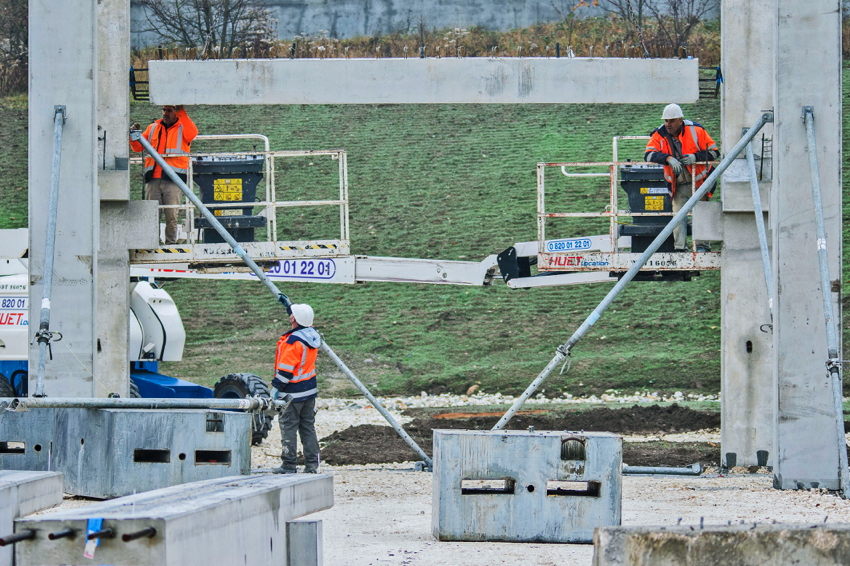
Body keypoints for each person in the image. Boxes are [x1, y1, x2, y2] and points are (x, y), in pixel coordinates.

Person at [644, 103, 719, 252]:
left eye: (671, 121)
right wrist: (667, 158)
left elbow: (714, 152)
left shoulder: (697, 131)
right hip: (678, 184)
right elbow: (649, 154)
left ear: (680, 120)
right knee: (678, 215)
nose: (668, 124)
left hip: (700, 182)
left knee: (702, 211)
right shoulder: (659, 134)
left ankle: (703, 246)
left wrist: (695, 157)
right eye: (666, 121)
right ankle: (680, 248)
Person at [129, 105, 198, 245]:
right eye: (164, 110)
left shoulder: (183, 127)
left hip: (174, 179)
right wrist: (133, 135)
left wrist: (180, 111)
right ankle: (152, 243)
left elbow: (192, 133)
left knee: (171, 215)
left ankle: (170, 244)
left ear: (176, 113)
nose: (165, 113)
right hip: (153, 178)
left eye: (169, 110)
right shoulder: (153, 128)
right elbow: (137, 148)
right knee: (152, 215)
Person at [272, 303, 322, 474]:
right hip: (309, 392)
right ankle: (312, 465)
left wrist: (275, 388)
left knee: (288, 427)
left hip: (292, 393)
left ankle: (288, 465)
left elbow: (285, 372)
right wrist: (288, 306)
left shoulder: (292, 343)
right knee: (308, 427)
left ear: (293, 318)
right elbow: (303, 321)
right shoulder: (312, 335)